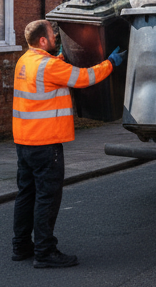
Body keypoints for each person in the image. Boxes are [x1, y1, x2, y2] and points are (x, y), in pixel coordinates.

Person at [11, 19, 123, 268]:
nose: (56, 38)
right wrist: (111, 63)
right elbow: (84, 78)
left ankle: (21, 246)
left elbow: (47, 76)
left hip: (24, 141)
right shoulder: (48, 66)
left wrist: (60, 59)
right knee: (47, 198)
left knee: (26, 195)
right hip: (46, 142)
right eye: (53, 35)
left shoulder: (25, 61)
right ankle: (45, 252)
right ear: (42, 41)